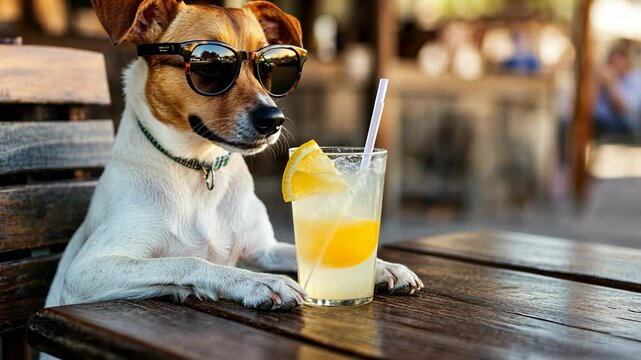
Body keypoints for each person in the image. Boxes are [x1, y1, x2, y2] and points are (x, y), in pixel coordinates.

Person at [593, 44, 641, 137]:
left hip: (624, 128)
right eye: (612, 62)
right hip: (602, 124)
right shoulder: (605, 78)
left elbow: (621, 110)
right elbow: (592, 107)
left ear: (626, 61)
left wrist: (612, 83)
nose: (614, 65)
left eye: (618, 61)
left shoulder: (634, 80)